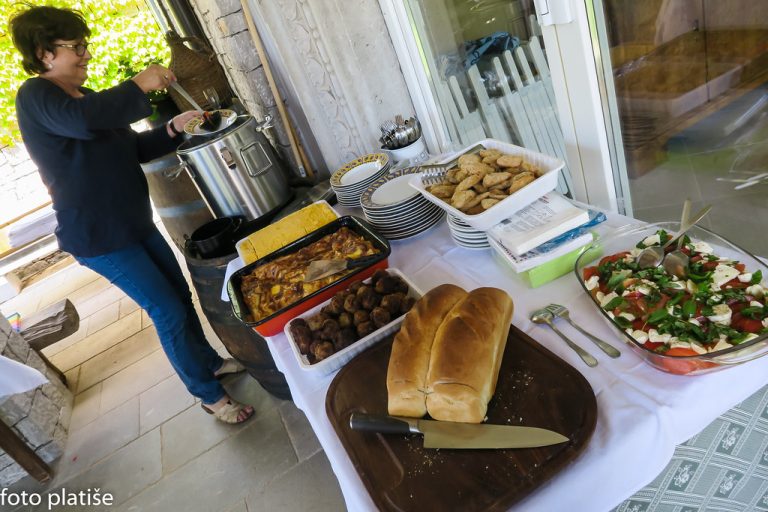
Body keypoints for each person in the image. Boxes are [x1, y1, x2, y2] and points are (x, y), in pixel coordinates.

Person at [9, 6, 254, 424]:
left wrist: (174, 128)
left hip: (134, 223)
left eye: (84, 45)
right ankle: (209, 395)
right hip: (99, 237)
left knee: (179, 296)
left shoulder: (87, 99)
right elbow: (83, 122)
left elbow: (133, 149)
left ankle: (209, 364)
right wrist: (139, 83)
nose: (86, 54)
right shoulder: (37, 97)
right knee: (167, 311)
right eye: (75, 47)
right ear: (44, 53)